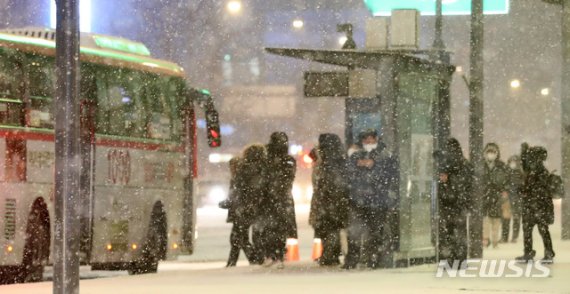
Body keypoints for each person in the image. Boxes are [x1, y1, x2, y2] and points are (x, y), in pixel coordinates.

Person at [343, 129, 397, 269]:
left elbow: (389, 175)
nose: (368, 142)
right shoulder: (355, 154)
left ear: (376, 139)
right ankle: (352, 260)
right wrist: (357, 164)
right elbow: (348, 174)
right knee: (354, 231)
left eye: (371, 139)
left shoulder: (385, 154)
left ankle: (373, 259)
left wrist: (374, 166)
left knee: (375, 232)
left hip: (377, 201)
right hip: (358, 200)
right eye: (365, 139)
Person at [309, 134, 350, 266]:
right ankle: (331, 254)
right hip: (336, 199)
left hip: (326, 199)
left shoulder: (327, 160)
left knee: (327, 228)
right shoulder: (340, 157)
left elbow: (323, 180)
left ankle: (329, 255)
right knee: (333, 227)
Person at [258, 132, 297, 268]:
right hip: (272, 198)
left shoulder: (287, 160)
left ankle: (278, 255)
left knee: (278, 229)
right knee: (270, 228)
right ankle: (271, 254)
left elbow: (287, 177)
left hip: (278, 198)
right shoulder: (268, 158)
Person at [225, 145, 266, 266]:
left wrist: (232, 203)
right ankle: (249, 259)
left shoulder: (243, 174)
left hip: (243, 210)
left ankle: (251, 259)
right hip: (250, 209)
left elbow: (238, 194)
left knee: (238, 237)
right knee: (242, 237)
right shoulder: (260, 170)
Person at [436, 138, 473, 266]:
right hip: (458, 204)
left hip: (448, 204)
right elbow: (469, 185)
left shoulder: (444, 166)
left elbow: (441, 186)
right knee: (459, 234)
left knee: (447, 234)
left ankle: (447, 259)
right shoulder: (464, 164)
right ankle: (460, 260)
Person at [516, 145, 555, 263]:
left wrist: (524, 189)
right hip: (534, 206)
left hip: (538, 206)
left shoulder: (540, 172)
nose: (529, 160)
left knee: (540, 230)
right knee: (530, 230)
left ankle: (545, 253)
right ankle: (530, 253)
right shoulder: (533, 171)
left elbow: (539, 190)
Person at [482, 143, 508, 249]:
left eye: (493, 152)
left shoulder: (501, 166)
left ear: (496, 154)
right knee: (485, 220)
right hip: (484, 196)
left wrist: (504, 190)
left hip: (497, 196)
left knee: (496, 220)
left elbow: (506, 180)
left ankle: (495, 241)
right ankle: (485, 240)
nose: (490, 155)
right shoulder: (482, 165)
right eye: (489, 152)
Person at [504, 155, 523, 243]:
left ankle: (514, 237)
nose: (513, 164)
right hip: (507, 198)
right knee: (506, 218)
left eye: (514, 162)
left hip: (517, 199)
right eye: (511, 162)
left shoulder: (520, 173)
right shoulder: (506, 171)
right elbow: (503, 183)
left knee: (516, 218)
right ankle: (505, 237)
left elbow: (523, 185)